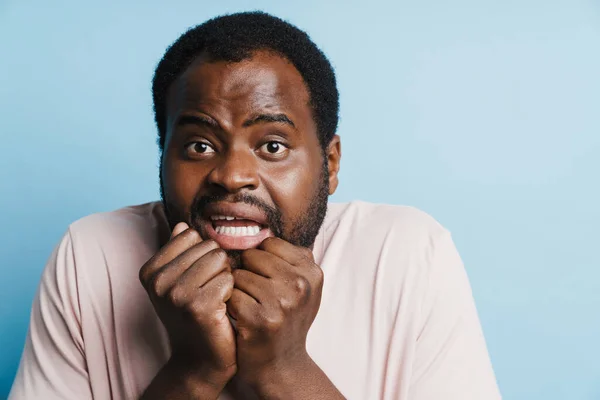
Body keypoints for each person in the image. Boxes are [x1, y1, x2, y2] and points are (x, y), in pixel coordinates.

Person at [9, 11, 501, 400]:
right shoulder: (90, 253)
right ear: (163, 156)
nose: (232, 175)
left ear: (329, 164)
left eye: (272, 146)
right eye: (200, 145)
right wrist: (193, 373)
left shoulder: (408, 254)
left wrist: (285, 372)